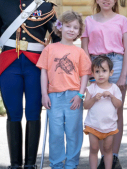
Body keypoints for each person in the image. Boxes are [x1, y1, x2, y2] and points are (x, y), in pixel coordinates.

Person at [0, 0, 60, 168]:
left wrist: (69, 26)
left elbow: (60, 36)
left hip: (35, 66)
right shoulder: (0, 5)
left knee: (33, 112)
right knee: (13, 115)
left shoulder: (46, 7)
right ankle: (15, 164)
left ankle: (30, 164)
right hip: (9, 65)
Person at [81, 0, 127, 169]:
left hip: (116, 64)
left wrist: (123, 75)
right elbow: (85, 49)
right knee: (96, 108)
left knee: (115, 111)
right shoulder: (88, 21)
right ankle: (101, 154)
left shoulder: (122, 20)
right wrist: (88, 72)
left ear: (115, 0)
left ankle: (113, 155)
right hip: (96, 65)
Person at [37, 11, 91, 168]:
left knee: (74, 132)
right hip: (54, 97)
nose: (71, 30)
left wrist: (80, 94)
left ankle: (71, 164)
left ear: (79, 31)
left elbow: (85, 74)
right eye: (68, 26)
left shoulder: (80, 52)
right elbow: (44, 72)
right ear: (60, 27)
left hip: (73, 96)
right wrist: (44, 94)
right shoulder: (50, 49)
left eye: (75, 27)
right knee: (56, 133)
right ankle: (56, 164)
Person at [84, 56, 123, 169]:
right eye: (97, 71)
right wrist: (93, 99)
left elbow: (118, 104)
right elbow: (86, 106)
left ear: (111, 73)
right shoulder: (91, 88)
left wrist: (111, 96)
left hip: (109, 126)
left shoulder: (114, 88)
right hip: (93, 125)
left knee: (107, 149)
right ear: (93, 73)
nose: (100, 74)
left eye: (104, 71)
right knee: (94, 148)